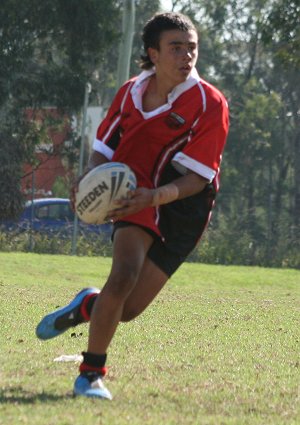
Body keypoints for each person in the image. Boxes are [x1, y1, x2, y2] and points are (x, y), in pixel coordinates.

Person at [36, 12, 229, 400]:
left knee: (127, 308)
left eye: (191, 48)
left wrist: (156, 196)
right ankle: (90, 374)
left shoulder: (210, 103)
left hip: (184, 203)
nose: (186, 55)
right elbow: (103, 149)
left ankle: (87, 305)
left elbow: (199, 178)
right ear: (153, 53)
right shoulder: (130, 92)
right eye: (176, 47)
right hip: (132, 189)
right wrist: (88, 181)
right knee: (122, 277)